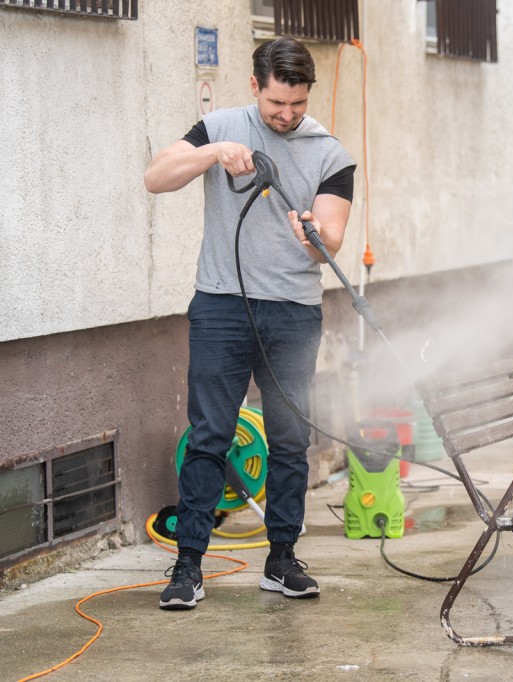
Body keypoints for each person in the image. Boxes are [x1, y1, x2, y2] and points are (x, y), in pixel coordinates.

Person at [144, 37, 355, 610]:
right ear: (255, 86)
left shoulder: (330, 153)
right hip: (222, 306)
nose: (286, 115)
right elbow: (157, 177)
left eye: (298, 103)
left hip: (293, 312)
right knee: (209, 436)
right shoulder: (219, 126)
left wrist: (312, 234)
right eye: (276, 103)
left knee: (289, 439)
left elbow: (332, 241)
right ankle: (188, 566)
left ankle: (282, 559)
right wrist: (213, 153)